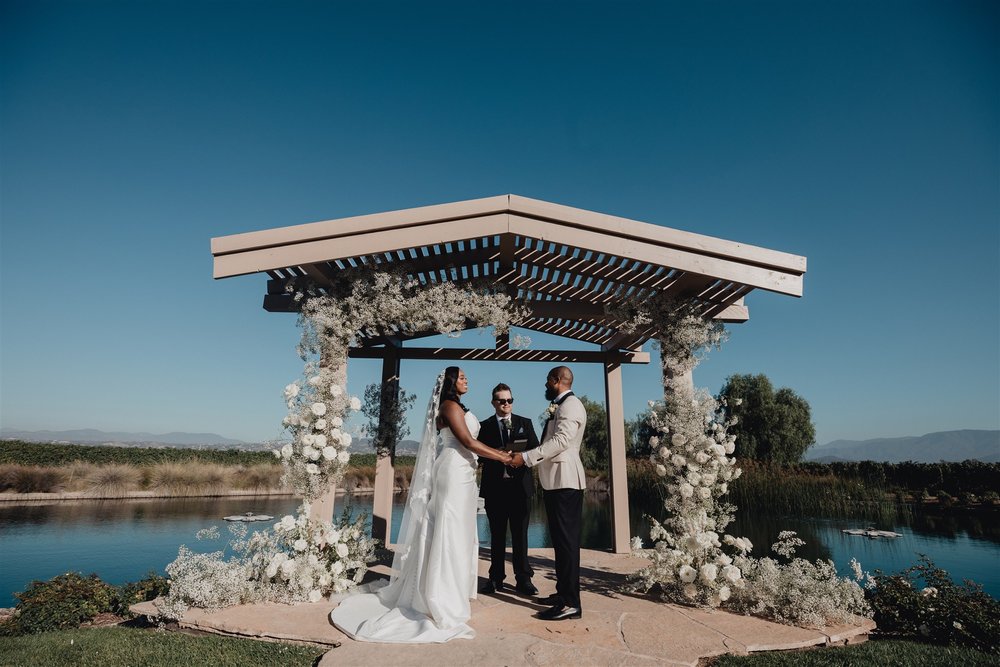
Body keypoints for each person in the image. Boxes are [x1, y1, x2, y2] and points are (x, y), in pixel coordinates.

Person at [330, 367, 513, 643]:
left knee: (460, 533)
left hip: (464, 475)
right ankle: (440, 598)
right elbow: (467, 441)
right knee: (448, 533)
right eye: (462, 377)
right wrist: (502, 457)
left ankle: (453, 592)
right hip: (452, 473)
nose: (467, 380)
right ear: (451, 382)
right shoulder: (450, 406)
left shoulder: (457, 406)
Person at [510, 366, 586, 621]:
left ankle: (571, 603)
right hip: (556, 481)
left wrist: (527, 457)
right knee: (560, 543)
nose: (545, 385)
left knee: (567, 545)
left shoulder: (571, 405)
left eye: (547, 381)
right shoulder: (560, 404)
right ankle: (563, 593)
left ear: (557, 381)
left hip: (566, 481)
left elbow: (563, 441)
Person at [478, 382, 540, 596]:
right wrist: (497, 453)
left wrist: (519, 457)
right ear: (494, 402)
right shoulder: (483, 426)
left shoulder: (525, 422)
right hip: (495, 489)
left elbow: (536, 449)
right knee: (496, 536)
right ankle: (495, 579)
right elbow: (477, 455)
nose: (506, 404)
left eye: (510, 400)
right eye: (502, 400)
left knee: (520, 535)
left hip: (520, 489)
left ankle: (524, 579)